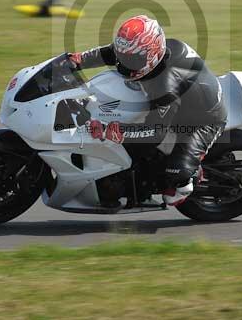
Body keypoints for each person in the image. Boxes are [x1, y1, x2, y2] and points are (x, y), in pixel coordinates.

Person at [67, 15, 227, 206]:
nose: (125, 62)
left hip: (203, 119)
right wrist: (78, 60)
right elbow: (109, 53)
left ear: (152, 55)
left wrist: (116, 131)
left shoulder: (165, 85)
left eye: (132, 59)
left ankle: (191, 177)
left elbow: (155, 132)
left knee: (175, 179)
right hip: (178, 101)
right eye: (123, 55)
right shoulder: (139, 50)